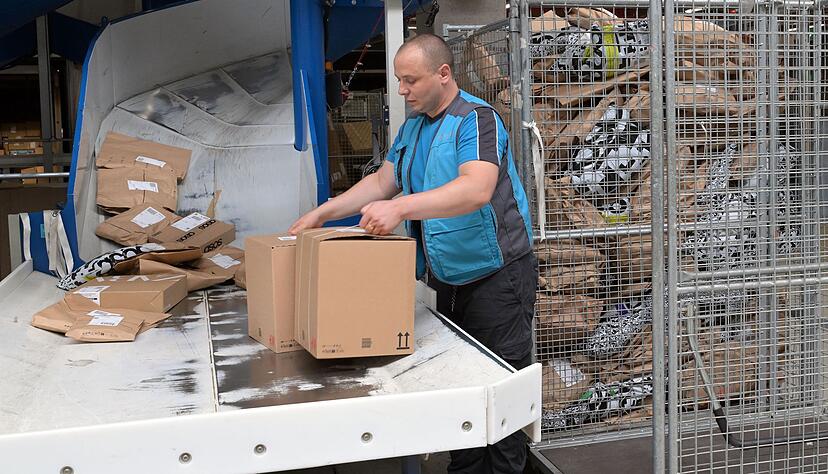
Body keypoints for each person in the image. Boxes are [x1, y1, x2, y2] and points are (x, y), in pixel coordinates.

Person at [289, 33, 537, 474]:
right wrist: (323, 212)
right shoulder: (413, 128)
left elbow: (476, 188)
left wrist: (400, 208)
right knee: (460, 391)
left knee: (502, 391)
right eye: (399, 80)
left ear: (443, 74)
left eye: (410, 80)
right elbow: (382, 182)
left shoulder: (476, 119)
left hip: (497, 278)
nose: (402, 90)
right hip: (446, 278)